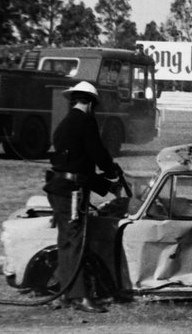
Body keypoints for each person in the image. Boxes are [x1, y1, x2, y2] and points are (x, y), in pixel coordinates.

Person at [43, 81, 122, 313]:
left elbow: (80, 166)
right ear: (90, 103)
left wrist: (108, 186)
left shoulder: (66, 123)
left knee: (67, 241)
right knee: (75, 242)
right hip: (72, 192)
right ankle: (78, 297)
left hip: (60, 188)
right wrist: (111, 172)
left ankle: (63, 291)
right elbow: (97, 153)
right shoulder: (85, 121)